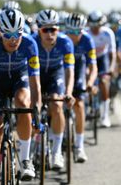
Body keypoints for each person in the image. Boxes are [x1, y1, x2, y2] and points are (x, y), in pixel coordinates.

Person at [0, 9, 42, 182]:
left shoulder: (30, 44)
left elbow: (35, 81)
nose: (13, 39)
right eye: (7, 35)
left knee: (24, 103)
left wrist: (36, 110)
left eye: (17, 33)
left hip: (19, 78)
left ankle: (25, 159)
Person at [33, 9, 75, 169]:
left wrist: (68, 93)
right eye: (45, 29)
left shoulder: (66, 43)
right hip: (35, 75)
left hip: (55, 75)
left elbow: (69, 70)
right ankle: (30, 148)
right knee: (30, 108)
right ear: (39, 29)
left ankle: (56, 152)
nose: (50, 33)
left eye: (53, 29)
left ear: (58, 29)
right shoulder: (32, 42)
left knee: (57, 106)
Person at [64, 13, 98, 162]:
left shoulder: (88, 40)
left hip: (78, 70)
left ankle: (79, 146)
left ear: (83, 31)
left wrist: (90, 82)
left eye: (77, 32)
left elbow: (93, 66)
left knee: (79, 105)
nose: (73, 35)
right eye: (70, 31)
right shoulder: (62, 40)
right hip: (62, 69)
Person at [87, 10, 116, 127]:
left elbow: (112, 54)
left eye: (97, 25)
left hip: (102, 59)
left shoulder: (108, 33)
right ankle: (90, 105)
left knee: (104, 82)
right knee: (87, 81)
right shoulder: (86, 34)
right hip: (90, 59)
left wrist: (111, 68)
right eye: (92, 25)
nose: (95, 28)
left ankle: (105, 115)